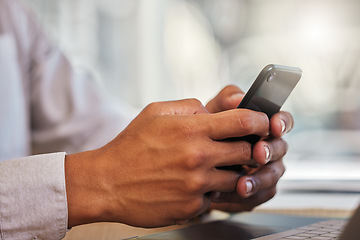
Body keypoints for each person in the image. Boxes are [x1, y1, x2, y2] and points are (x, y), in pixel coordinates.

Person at [0, 0, 292, 239]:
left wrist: (197, 153)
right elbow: (112, 165)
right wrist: (101, 181)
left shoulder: (13, 17)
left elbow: (96, 129)